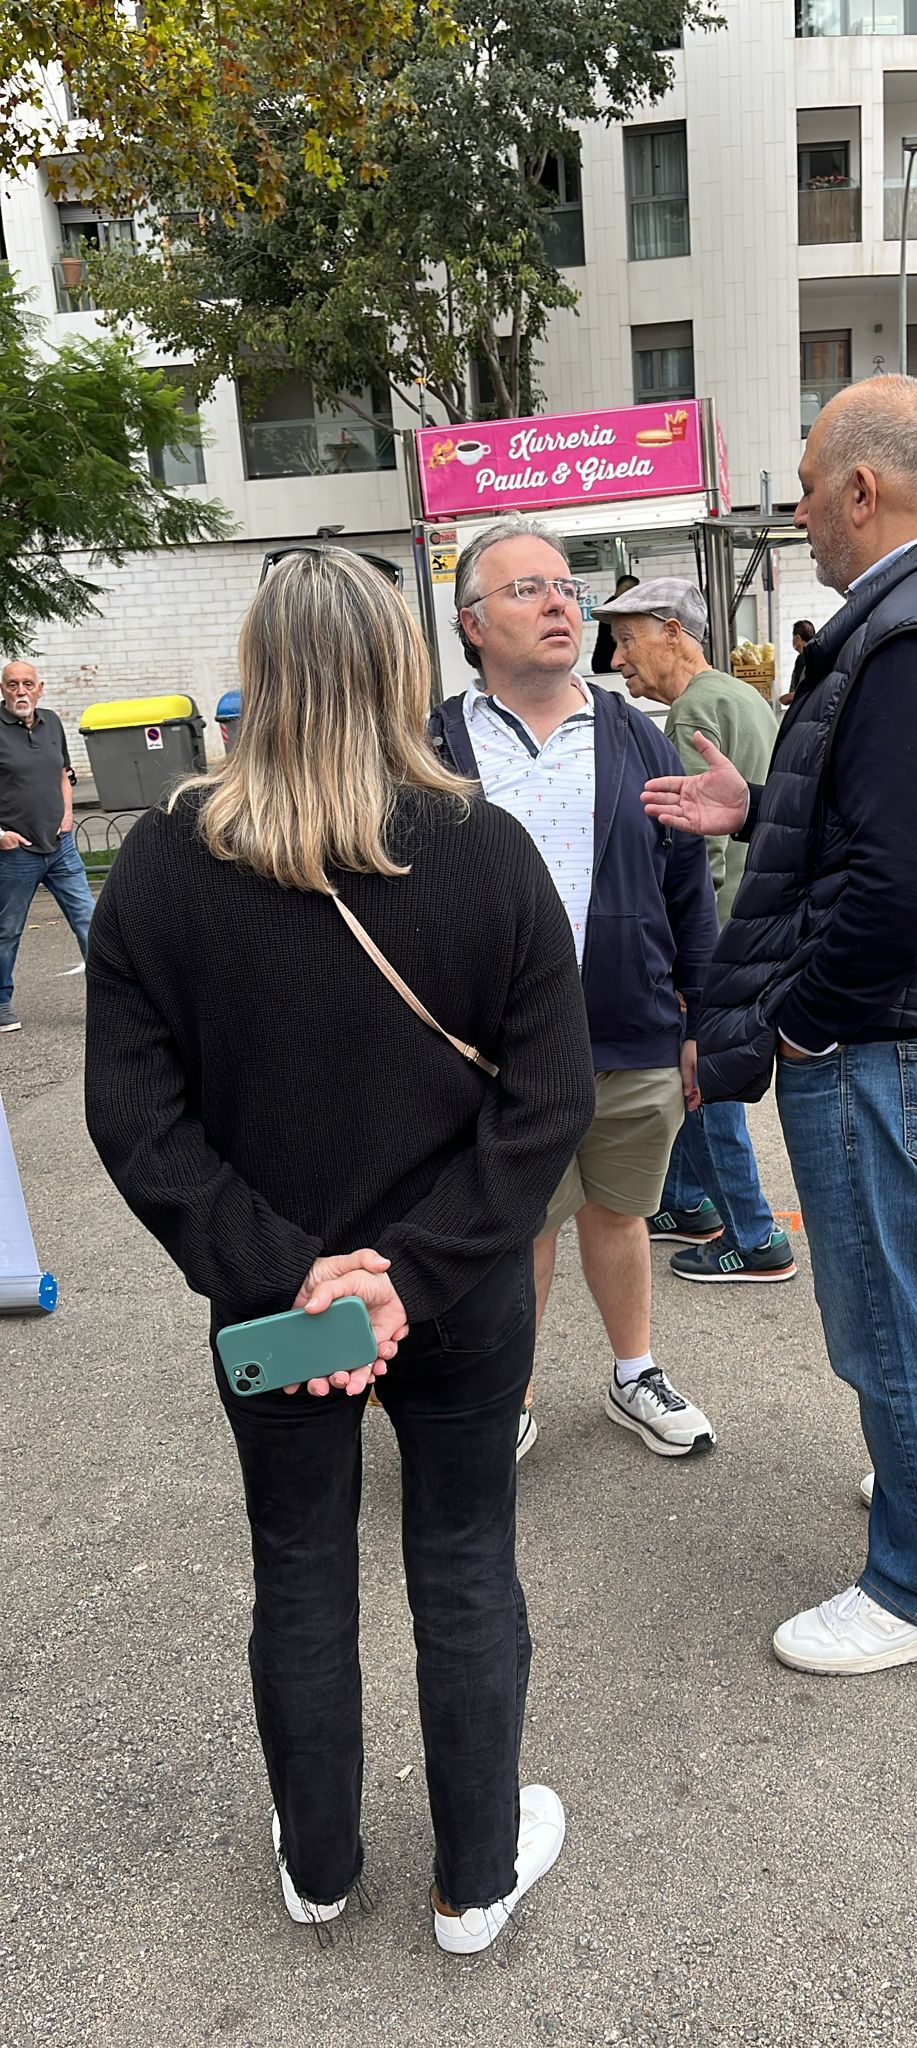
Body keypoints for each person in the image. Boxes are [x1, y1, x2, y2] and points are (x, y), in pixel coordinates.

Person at [84, 549, 596, 1950]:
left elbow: (133, 1118)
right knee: (465, 1557)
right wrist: (413, 1275)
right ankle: (473, 1880)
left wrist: (293, 1272)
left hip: (279, 1312)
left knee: (301, 1565)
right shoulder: (484, 847)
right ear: (400, 665)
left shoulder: (165, 869)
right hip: (466, 1289)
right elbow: (550, 1096)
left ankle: (319, 1863)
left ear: (260, 669)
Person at [642, 376, 917, 1677]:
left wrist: (807, 1025)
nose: (804, 515)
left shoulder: (915, 635)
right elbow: (912, 820)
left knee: (891, 1305)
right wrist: (762, 810)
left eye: (810, 491)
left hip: (889, 1030)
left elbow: (905, 885)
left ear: (865, 490)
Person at [431, 514, 720, 1461]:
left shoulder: (636, 735)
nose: (560, 602)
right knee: (523, 1224)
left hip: (632, 1030)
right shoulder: (429, 749)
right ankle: (506, 1395)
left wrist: (699, 1017)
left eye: (567, 588)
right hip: (494, 1048)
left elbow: (687, 884)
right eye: (527, 589)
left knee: (622, 1210)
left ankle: (633, 1373)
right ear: (473, 623)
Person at [596, 576, 795, 1286]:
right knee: (684, 1074)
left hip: (724, 930)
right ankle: (682, 1200)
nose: (619, 661)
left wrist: (682, 960)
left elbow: (692, 849)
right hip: (762, 916)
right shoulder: (742, 695)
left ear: (672, 632)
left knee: (699, 1077)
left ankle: (754, 1233)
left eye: (627, 640)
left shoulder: (692, 714)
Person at [0, 659, 95, 1032]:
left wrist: (68, 815)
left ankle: (107, 1002)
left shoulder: (52, 722)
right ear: (3, 690)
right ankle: (1, 1002)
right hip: (15, 851)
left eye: (27, 684)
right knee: (7, 930)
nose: (20, 691)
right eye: (12, 685)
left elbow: (63, 773)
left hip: (61, 847)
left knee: (90, 919)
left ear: (40, 688)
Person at [590, 573, 639, 672]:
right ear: (629, 590)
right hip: (608, 663)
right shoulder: (616, 609)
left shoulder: (610, 605)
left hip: (604, 661)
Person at [777, 620, 816, 710]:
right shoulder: (809, 656)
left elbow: (807, 690)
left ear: (798, 638)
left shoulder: (806, 659)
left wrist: (790, 697)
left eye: (793, 637)